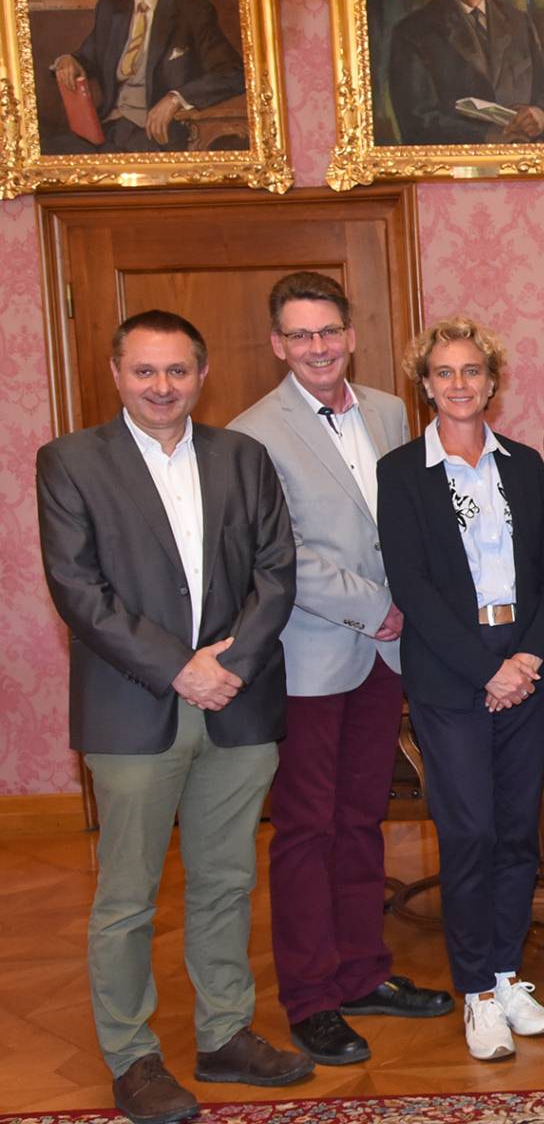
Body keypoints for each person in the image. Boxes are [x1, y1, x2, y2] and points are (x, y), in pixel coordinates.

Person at [38, 311, 313, 1124]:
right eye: (145, 371)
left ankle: (225, 1033)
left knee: (227, 881)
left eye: (178, 371)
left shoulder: (243, 457)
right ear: (116, 374)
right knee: (128, 897)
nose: (162, 387)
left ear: (202, 375)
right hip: (134, 711)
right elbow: (78, 590)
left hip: (237, 705)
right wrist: (178, 667)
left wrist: (229, 665)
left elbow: (277, 570)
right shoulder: (71, 462)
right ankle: (132, 1057)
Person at [229, 273, 452, 1068]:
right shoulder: (253, 433)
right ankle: (311, 997)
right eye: (300, 335)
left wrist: (413, 605)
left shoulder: (391, 412)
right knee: (305, 830)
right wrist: (377, 606)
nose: (318, 347)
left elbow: (409, 522)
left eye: (329, 331)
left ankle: (362, 972)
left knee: (363, 819)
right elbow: (278, 552)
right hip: (310, 657)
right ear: (277, 345)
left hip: (385, 657)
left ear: (351, 335)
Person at [376, 318, 544, 1061]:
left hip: (524, 663)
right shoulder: (401, 472)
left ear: (492, 381)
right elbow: (411, 585)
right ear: (424, 385)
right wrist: (486, 670)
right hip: (451, 672)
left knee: (519, 831)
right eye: (444, 372)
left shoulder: (527, 466)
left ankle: (508, 976)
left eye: (472, 371)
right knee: (470, 833)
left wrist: (526, 659)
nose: (459, 383)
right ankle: (477, 994)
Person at [46, 0, 244, 153]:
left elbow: (233, 73)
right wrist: (69, 60)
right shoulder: (111, 6)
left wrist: (176, 98)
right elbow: (88, 56)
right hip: (105, 127)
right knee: (53, 151)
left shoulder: (193, 10)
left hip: (154, 134)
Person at [382, 0, 544, 146]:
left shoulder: (520, 22)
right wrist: (487, 136)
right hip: (457, 170)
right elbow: (416, 123)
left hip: (525, 167)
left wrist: (543, 114)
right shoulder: (412, 31)